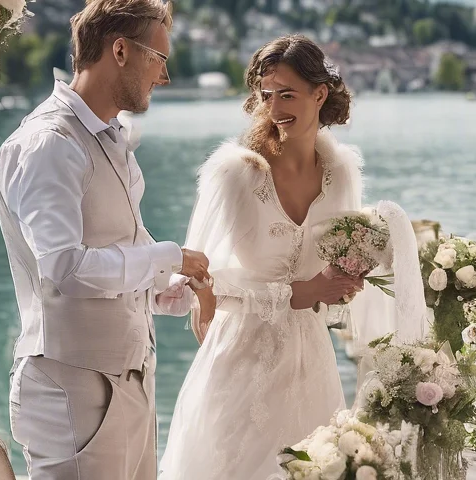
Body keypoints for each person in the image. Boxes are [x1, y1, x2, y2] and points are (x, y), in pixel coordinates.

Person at [0, 1, 210, 478]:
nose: (165, 76)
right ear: (119, 51)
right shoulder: (51, 144)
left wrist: (164, 289)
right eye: (159, 58)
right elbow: (65, 268)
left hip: (128, 386)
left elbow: (115, 255)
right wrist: (167, 256)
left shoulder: (111, 139)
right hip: (72, 392)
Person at [158, 34, 368, 479]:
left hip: (311, 362)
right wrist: (301, 292)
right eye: (266, 95)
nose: (274, 109)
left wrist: (342, 284)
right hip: (240, 363)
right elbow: (202, 281)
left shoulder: (342, 173)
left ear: (320, 94)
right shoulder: (235, 174)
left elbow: (336, 269)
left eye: (287, 94)